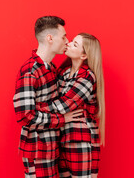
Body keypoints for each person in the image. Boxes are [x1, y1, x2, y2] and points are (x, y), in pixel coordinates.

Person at [13, 16, 83, 178]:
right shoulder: (29, 71)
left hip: (52, 148)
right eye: (64, 36)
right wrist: (62, 119)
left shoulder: (51, 68)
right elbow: (25, 117)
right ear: (50, 38)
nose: (67, 41)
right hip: (37, 151)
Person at [39, 33, 105, 178]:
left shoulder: (87, 76)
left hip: (80, 139)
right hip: (62, 138)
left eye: (75, 44)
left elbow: (64, 105)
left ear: (83, 56)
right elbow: (51, 97)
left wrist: (34, 109)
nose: (68, 43)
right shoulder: (63, 72)